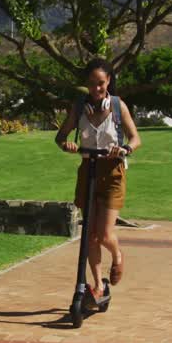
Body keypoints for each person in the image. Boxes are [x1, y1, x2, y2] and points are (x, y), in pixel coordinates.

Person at [53, 58, 141, 304]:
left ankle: (117, 254)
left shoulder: (117, 105)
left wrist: (124, 149)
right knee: (90, 236)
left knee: (103, 234)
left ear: (109, 81)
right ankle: (97, 285)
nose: (96, 89)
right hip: (88, 170)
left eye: (100, 83)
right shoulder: (79, 107)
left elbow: (136, 138)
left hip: (112, 172)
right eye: (91, 84)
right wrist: (67, 145)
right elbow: (60, 137)